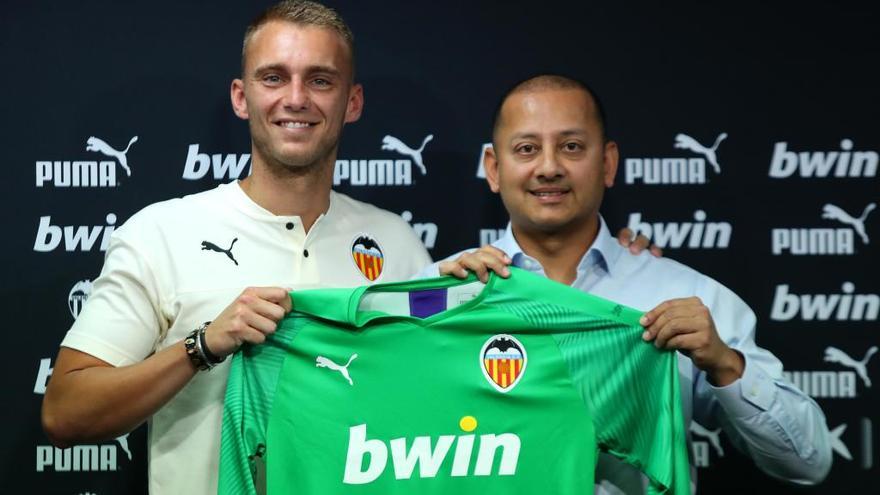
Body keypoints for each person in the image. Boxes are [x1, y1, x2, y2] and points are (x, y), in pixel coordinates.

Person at [40, 2, 432, 494]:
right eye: (273, 78)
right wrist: (200, 346)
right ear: (241, 97)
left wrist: (468, 295)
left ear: (352, 102)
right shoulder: (161, 233)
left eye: (320, 80)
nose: (296, 98)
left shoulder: (397, 241)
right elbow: (65, 413)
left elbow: (433, 406)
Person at [419, 74, 832, 493]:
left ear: (608, 163)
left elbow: (808, 462)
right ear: (494, 168)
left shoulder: (684, 297)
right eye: (527, 149)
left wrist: (725, 363)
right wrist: (430, 316)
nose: (548, 167)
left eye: (572, 147)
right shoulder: (438, 294)